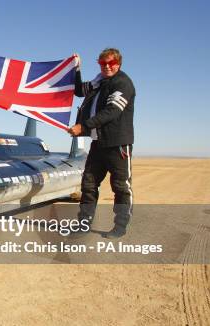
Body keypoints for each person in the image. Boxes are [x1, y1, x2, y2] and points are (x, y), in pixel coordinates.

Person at [68, 48, 136, 238]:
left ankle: (120, 227)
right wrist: (77, 69)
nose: (107, 66)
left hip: (118, 145)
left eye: (111, 63)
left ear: (118, 64)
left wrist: (84, 126)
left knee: (121, 187)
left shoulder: (122, 83)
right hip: (98, 144)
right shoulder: (99, 82)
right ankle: (83, 224)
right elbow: (79, 91)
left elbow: (112, 111)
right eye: (102, 63)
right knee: (88, 185)